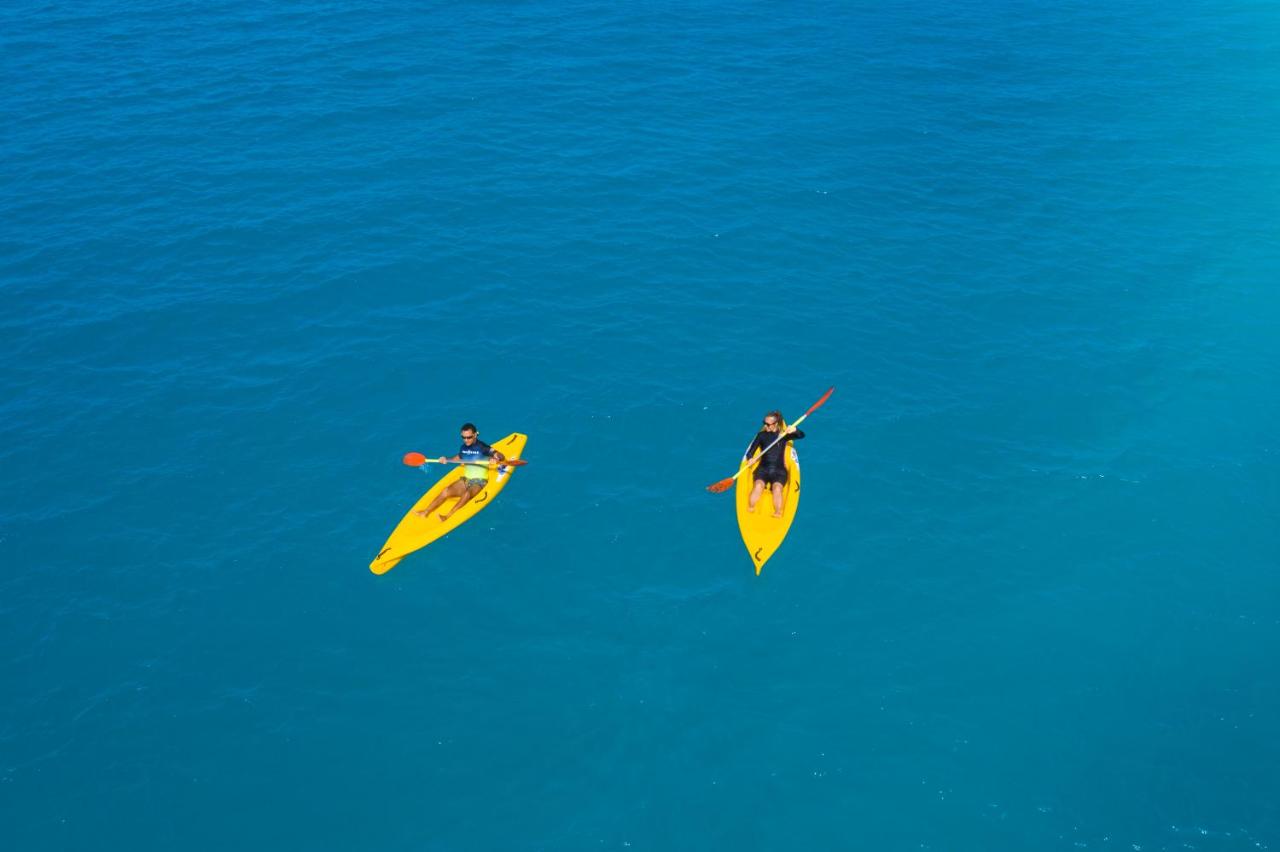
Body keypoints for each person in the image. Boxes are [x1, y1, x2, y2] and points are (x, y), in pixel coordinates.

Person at [414, 423, 506, 522]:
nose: (466, 440)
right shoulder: (463, 447)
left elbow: (500, 455)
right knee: (446, 491)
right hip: (465, 480)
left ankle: (447, 516)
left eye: (469, 437)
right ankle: (425, 512)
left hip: (480, 482)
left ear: (475, 435)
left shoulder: (483, 447)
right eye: (463, 437)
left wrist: (496, 459)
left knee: (467, 494)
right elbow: (458, 458)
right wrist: (446, 459)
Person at [745, 410, 804, 517]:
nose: (766, 426)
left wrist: (795, 430)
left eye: (768, 424)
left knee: (777, 488)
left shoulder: (783, 435)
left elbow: (801, 436)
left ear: (776, 424)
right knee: (758, 485)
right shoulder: (761, 435)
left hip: (779, 471)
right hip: (763, 469)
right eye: (764, 423)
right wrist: (750, 459)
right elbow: (751, 452)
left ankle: (778, 512)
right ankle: (751, 506)